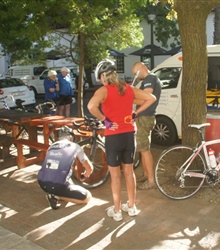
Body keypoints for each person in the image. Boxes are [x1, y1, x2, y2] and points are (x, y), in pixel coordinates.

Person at [87, 59, 156, 221]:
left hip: (113, 137)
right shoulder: (128, 89)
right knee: (129, 172)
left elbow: (91, 107)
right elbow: (151, 98)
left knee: (115, 176)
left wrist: (106, 120)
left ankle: (117, 210)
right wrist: (135, 113)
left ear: (103, 76)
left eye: (101, 78)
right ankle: (131, 207)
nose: (101, 80)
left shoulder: (103, 91)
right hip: (128, 136)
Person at [37, 126, 93, 210]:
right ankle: (56, 196)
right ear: (71, 138)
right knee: (87, 197)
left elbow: (53, 166)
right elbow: (89, 169)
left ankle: (54, 193)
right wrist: (84, 176)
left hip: (42, 183)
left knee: (63, 177)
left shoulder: (52, 146)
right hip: (57, 185)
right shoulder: (75, 146)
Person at [131, 62, 161, 190]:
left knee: (144, 150)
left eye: (135, 74)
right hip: (145, 117)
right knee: (143, 149)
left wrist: (135, 110)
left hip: (145, 117)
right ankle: (145, 174)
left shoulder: (149, 78)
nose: (136, 77)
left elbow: (146, 98)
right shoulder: (152, 78)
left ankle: (151, 180)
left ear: (140, 69)